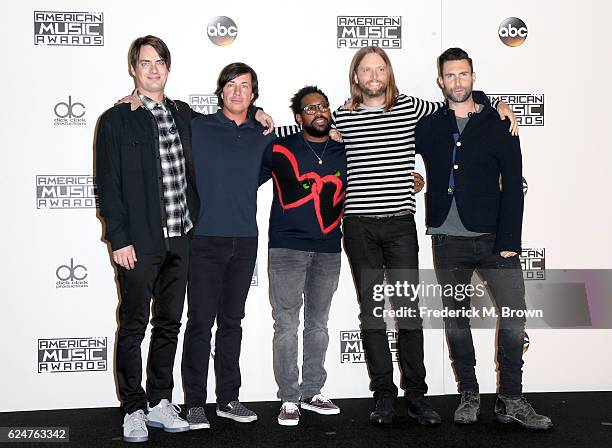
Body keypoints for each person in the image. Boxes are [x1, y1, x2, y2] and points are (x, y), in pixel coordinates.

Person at [335, 46, 517, 426]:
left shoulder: (413, 109)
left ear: (389, 73)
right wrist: (257, 116)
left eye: (379, 68)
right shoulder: (341, 115)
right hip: (359, 226)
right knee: (372, 312)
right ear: (356, 77)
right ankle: (384, 396)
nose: (373, 76)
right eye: (366, 70)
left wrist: (495, 101)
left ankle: (416, 396)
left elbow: (461, 102)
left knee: (408, 313)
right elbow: (306, 128)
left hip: (402, 224)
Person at [415, 47, 552, 430]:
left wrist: (510, 238)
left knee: (513, 317)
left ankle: (511, 398)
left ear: (473, 77)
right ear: (440, 81)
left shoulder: (498, 122)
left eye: (464, 75)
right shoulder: (429, 124)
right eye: (450, 76)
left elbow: (513, 185)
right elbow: (390, 145)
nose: (457, 82)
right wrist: (409, 178)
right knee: (457, 320)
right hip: (447, 239)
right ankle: (469, 395)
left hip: (495, 237)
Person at [95, 35, 198, 442]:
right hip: (138, 242)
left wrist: (259, 114)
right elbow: (108, 183)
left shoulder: (185, 115)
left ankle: (159, 402)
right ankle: (133, 408)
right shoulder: (116, 119)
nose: (153, 69)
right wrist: (118, 238)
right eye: (145, 63)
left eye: (160, 62)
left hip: (182, 237)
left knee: (169, 324)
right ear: (133, 69)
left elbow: (229, 124)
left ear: (168, 69)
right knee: (135, 325)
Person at [181, 62, 276, 429]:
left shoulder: (263, 133)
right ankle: (193, 403)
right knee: (200, 322)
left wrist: (257, 116)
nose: (238, 92)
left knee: (232, 322)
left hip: (245, 239)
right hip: (204, 238)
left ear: (254, 94)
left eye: (246, 87)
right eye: (231, 85)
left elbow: (276, 165)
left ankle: (228, 399)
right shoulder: (198, 126)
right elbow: (165, 106)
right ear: (221, 91)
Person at [262, 86, 346, 426]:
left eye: (323, 106)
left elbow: (379, 169)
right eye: (310, 108)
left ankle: (312, 391)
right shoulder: (280, 145)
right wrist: (256, 114)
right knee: (286, 324)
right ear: (299, 118)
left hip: (329, 248)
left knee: (319, 324)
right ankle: (289, 398)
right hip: (286, 247)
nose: (319, 111)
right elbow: (253, 133)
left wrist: (411, 178)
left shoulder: (344, 147)